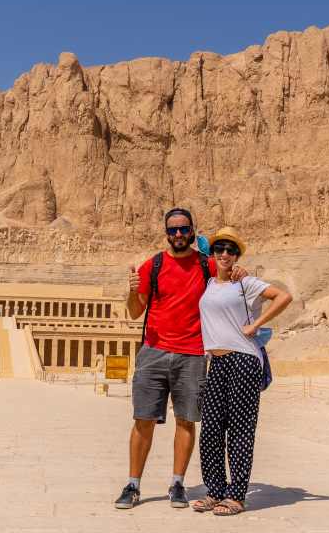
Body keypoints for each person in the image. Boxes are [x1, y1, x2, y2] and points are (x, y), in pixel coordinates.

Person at [114, 207, 245, 509]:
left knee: (186, 420)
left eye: (183, 229)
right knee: (143, 419)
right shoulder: (154, 265)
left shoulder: (206, 265)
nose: (178, 235)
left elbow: (231, 281)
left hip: (192, 354)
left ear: (192, 230)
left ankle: (177, 483)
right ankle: (133, 485)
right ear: (166, 232)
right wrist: (133, 291)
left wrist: (240, 273)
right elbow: (135, 312)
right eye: (172, 230)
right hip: (154, 352)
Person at [191, 227, 292, 516]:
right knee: (210, 429)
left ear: (237, 256)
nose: (225, 254)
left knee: (240, 429)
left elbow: (283, 297)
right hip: (217, 362)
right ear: (213, 253)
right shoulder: (209, 283)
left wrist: (255, 324)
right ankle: (215, 490)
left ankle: (236, 496)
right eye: (220, 248)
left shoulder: (245, 282)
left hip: (244, 359)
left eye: (231, 250)